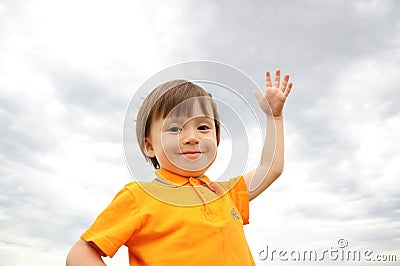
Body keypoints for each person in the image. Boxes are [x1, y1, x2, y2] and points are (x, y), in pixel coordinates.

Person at [66, 69, 293, 265]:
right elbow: (80, 253)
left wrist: (275, 117)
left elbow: (271, 167)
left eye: (203, 127)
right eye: (175, 129)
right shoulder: (138, 197)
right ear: (149, 147)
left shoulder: (226, 193)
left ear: (217, 138)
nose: (191, 137)